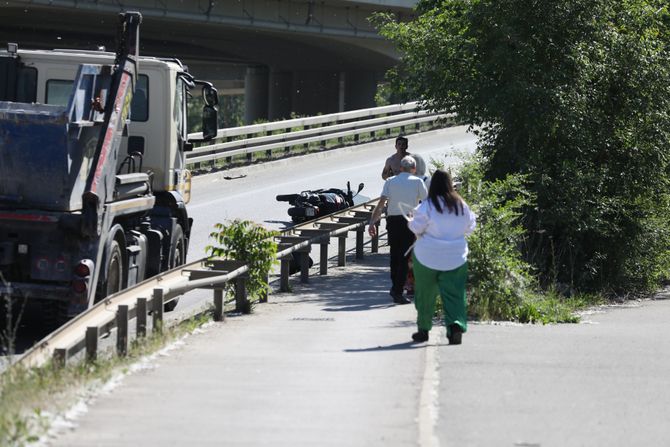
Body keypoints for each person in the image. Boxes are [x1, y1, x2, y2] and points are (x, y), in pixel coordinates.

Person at [407, 169, 476, 345]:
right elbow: (470, 226)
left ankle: (423, 329)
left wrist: (410, 220)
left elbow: (416, 228)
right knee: (455, 293)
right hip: (456, 256)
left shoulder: (427, 206)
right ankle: (455, 325)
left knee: (425, 293)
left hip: (427, 256)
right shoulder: (461, 205)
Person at [369, 156, 428, 304]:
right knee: (404, 257)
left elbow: (381, 204)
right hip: (408, 221)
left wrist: (372, 222)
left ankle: (395, 286)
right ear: (414, 169)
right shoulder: (418, 182)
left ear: (401, 168)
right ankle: (397, 291)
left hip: (393, 221)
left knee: (394, 254)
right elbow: (427, 204)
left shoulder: (390, 181)